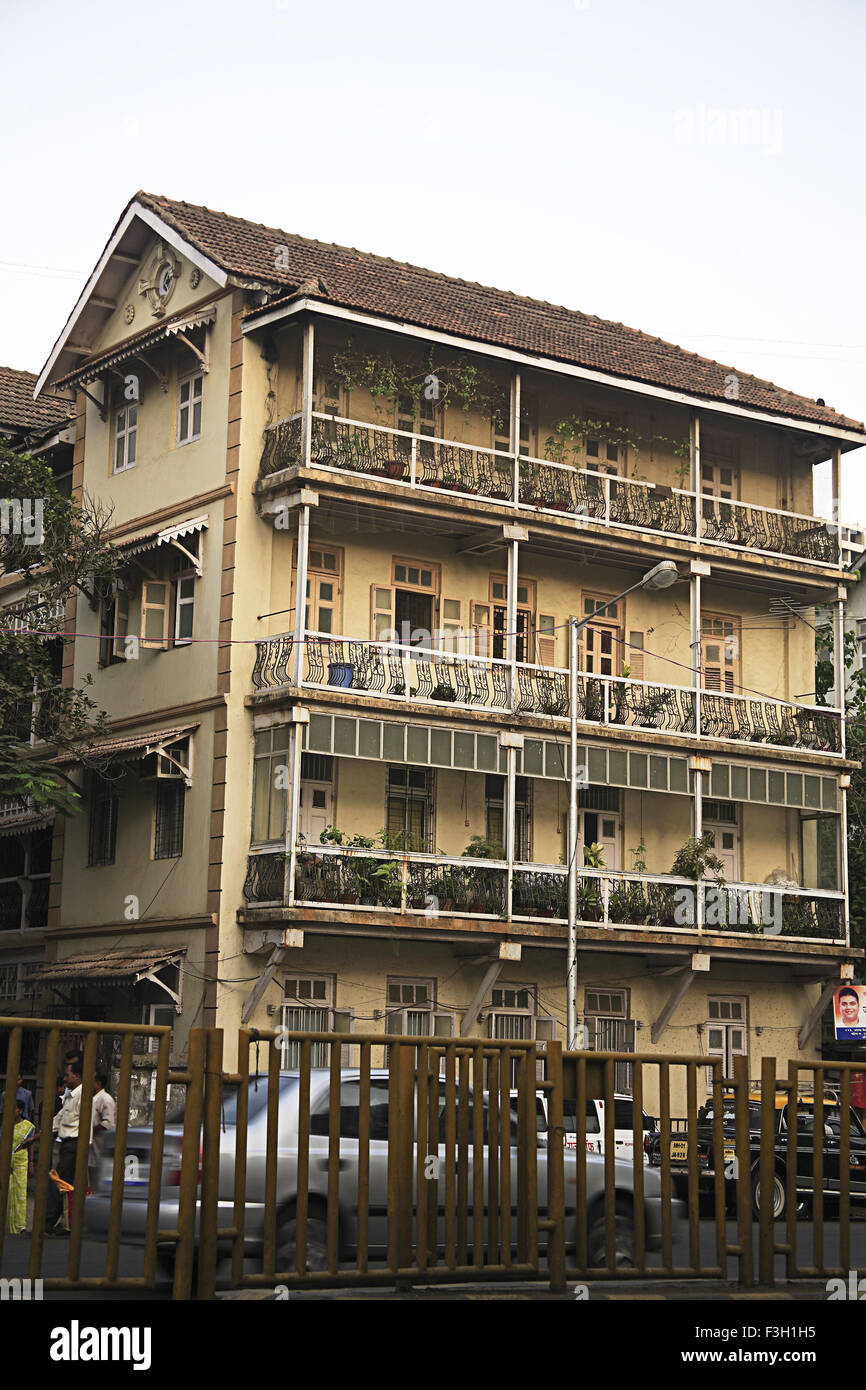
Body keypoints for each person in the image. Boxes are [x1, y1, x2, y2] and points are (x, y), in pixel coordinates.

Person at [44, 1058, 90, 1238]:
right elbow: (59, 1119)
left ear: (77, 1076)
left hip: (76, 1144)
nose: (64, 1078)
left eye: (67, 1075)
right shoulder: (71, 1095)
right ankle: (68, 1224)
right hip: (67, 1144)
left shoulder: (83, 1095)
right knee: (69, 1186)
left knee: (58, 1182)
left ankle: (48, 1223)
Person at [6, 1098, 36, 1234]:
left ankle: (20, 1225)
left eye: (14, 1109)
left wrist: (31, 1162)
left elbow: (30, 1146)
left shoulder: (28, 1126)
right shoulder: (6, 1125)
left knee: (20, 1192)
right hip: (7, 1161)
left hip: (21, 1161)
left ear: (20, 1110)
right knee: (7, 1191)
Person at [89, 1073, 116, 1187]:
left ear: (98, 1083)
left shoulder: (106, 1099)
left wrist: (91, 1130)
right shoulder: (93, 1098)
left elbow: (108, 1123)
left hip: (100, 1144)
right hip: (92, 1147)